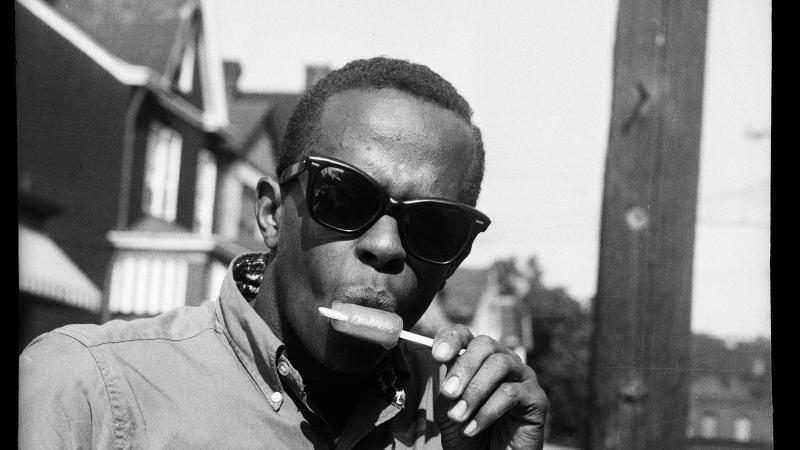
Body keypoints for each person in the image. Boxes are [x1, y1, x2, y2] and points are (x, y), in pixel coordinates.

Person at [19, 57, 547, 449]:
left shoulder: (463, 424)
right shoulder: (87, 391)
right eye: (345, 196)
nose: (385, 247)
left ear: (454, 261)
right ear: (272, 215)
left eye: (433, 227)